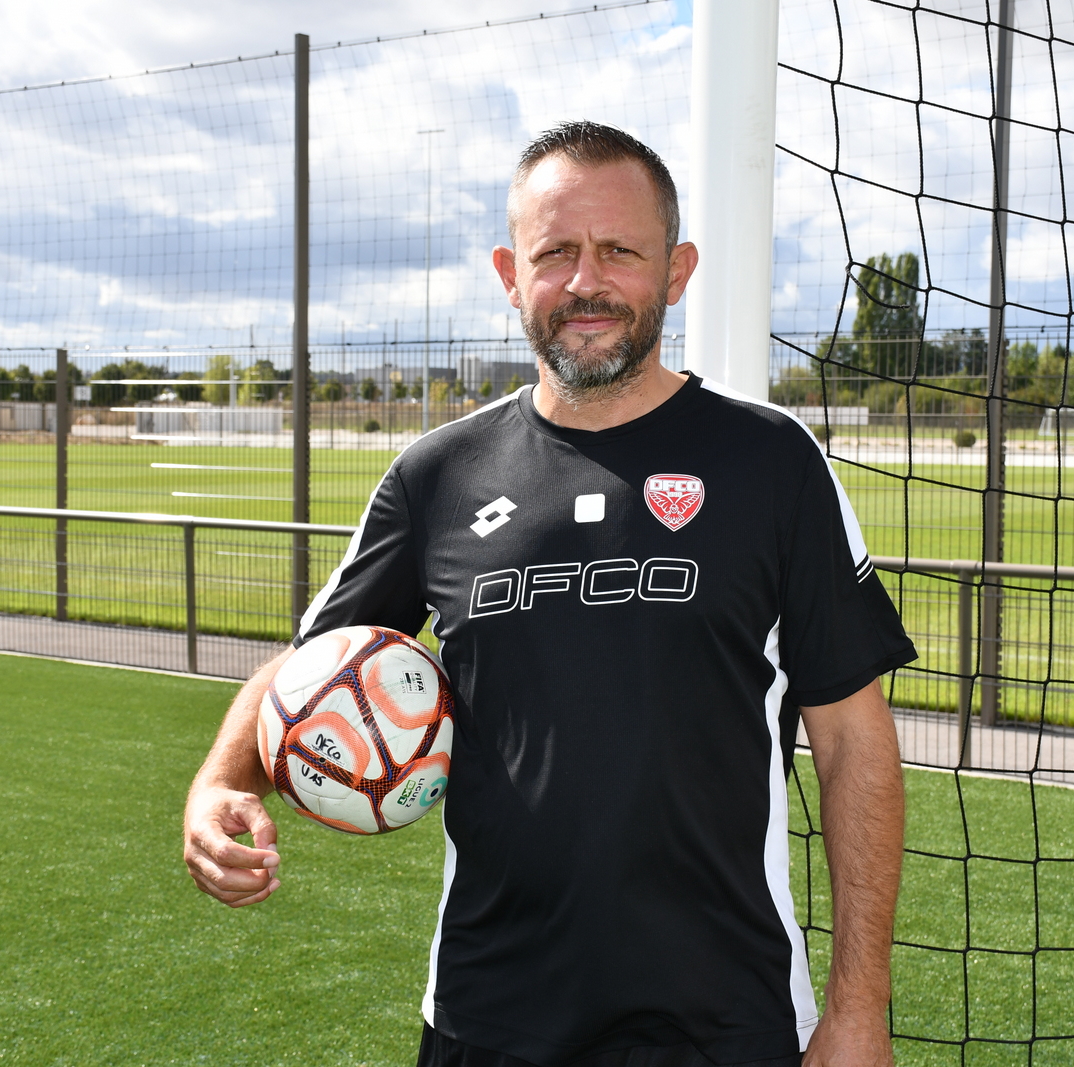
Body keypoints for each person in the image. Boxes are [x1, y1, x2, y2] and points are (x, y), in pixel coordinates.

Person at [184, 121, 917, 1067]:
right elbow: (310, 665)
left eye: (620, 250)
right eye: (556, 252)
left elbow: (855, 742)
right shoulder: (436, 475)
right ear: (508, 272)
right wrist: (217, 781)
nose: (586, 282)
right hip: (490, 1017)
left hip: (721, 1021)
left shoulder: (773, 463)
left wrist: (859, 1005)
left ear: (678, 269)